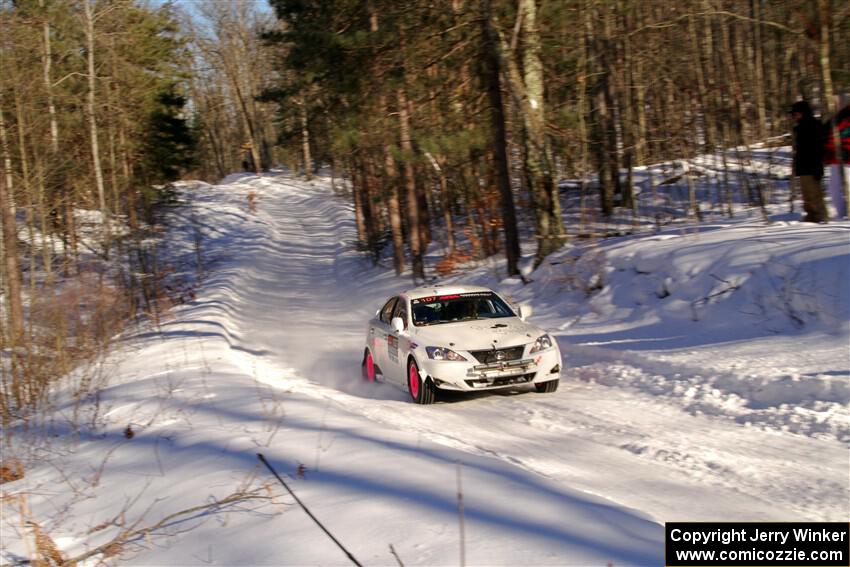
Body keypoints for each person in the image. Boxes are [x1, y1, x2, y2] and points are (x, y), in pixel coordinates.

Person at [790, 100, 827, 222]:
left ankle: (820, 220)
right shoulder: (799, 128)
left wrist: (818, 167)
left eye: (796, 113)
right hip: (803, 167)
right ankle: (810, 219)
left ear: (802, 112)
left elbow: (818, 148)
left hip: (812, 167)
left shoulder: (814, 125)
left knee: (814, 196)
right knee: (807, 198)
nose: (794, 116)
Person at [823, 95, 850, 220]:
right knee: (834, 187)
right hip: (835, 158)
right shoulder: (835, 117)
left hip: (845, 158)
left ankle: (843, 213)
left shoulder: (845, 117)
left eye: (835, 103)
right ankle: (840, 213)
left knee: (844, 185)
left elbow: (841, 135)